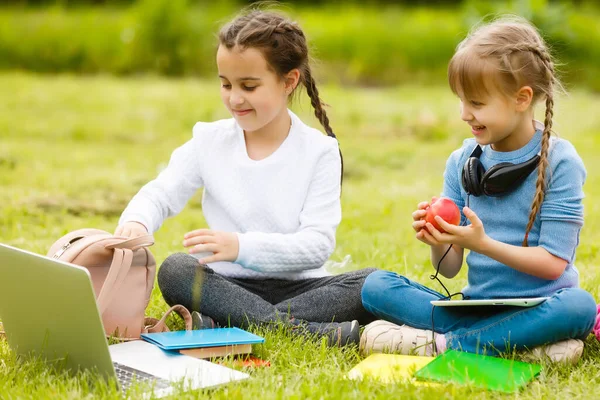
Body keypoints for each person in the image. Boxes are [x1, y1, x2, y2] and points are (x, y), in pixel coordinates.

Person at [115, 10, 375, 347]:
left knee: (370, 284)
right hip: (227, 286)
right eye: (226, 84)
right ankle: (303, 332)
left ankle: (222, 323)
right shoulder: (209, 141)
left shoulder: (320, 151)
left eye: (249, 86)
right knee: (176, 270)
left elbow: (317, 246)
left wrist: (240, 246)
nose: (235, 98)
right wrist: (137, 221)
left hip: (301, 288)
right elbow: (161, 193)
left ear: (289, 81)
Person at [360, 16, 597, 363]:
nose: (464, 114)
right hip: (475, 310)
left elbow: (552, 266)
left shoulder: (561, 162)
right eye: (461, 101)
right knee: (375, 286)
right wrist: (439, 240)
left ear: (521, 98)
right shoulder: (462, 161)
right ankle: (518, 345)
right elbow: (450, 269)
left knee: (580, 306)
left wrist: (482, 244)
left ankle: (444, 345)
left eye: (477, 103)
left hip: (542, 306)